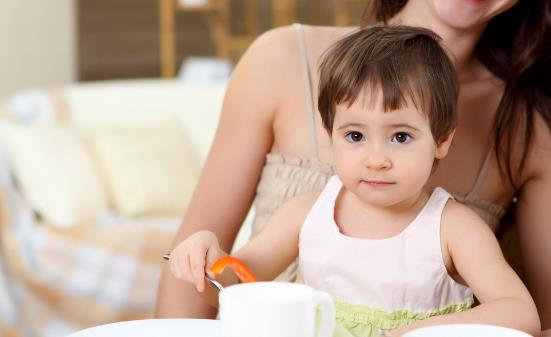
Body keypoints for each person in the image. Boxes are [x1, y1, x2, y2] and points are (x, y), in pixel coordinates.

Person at [155, 0, 551, 332]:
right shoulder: (308, 212)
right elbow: (235, 281)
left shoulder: (457, 224)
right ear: (330, 135)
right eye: (355, 136)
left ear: (443, 140)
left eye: (400, 137)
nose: (376, 160)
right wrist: (201, 260)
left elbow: (525, 315)